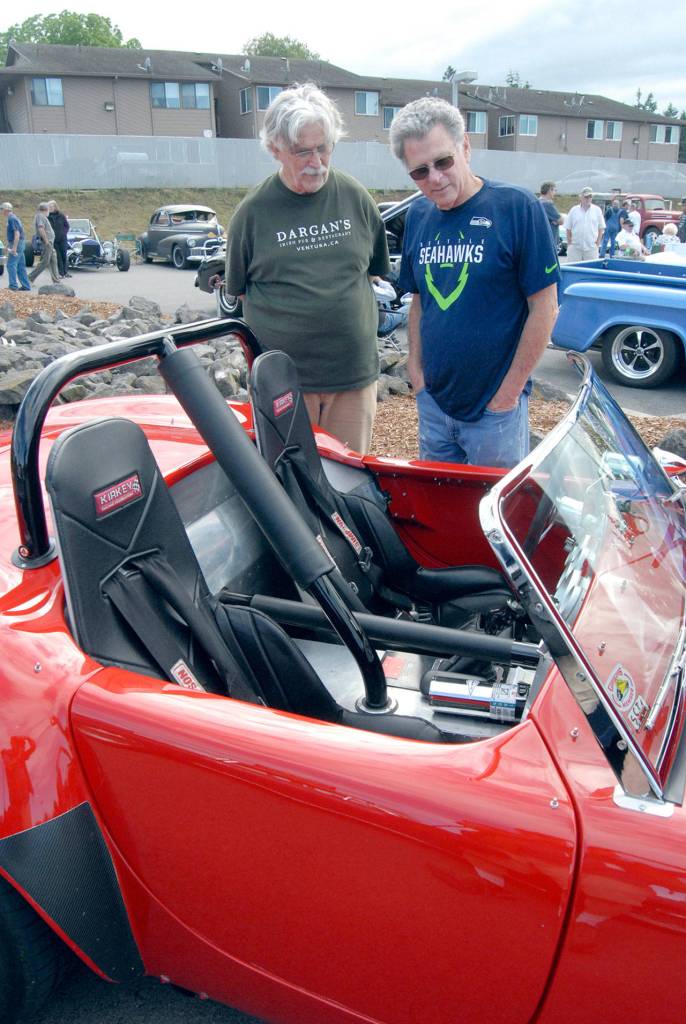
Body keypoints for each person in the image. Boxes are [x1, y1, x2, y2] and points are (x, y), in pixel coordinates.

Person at [388, 97, 559, 468]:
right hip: (434, 404)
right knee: (441, 509)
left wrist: (508, 394)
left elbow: (545, 307)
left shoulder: (516, 208)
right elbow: (420, 301)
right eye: (419, 171)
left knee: (492, 515)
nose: (434, 177)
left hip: (495, 411)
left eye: (443, 161)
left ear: (465, 147)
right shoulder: (418, 214)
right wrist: (417, 377)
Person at [224, 82, 390, 454]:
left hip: (352, 378)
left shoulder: (356, 198)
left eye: (323, 148)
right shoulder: (252, 213)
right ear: (275, 149)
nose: (316, 162)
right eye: (302, 152)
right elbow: (237, 289)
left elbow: (375, 270)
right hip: (283, 384)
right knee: (290, 487)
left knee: (350, 483)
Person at [565, 187, 605, 261]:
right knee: (573, 270)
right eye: (586, 197)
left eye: (590, 197)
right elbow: (568, 228)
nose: (588, 199)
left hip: (591, 248)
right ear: (581, 197)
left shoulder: (597, 210)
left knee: (591, 270)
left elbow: (601, 228)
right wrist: (569, 244)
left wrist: (597, 243)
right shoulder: (573, 210)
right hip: (575, 248)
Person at [1, 201, 31, 291]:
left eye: (1, 209)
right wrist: (8, 245)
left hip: (17, 244)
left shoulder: (11, 219)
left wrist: (14, 248)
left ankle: (13, 286)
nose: (1, 211)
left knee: (11, 264)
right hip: (19, 243)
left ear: (6, 210)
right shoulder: (14, 218)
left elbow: (17, 234)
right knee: (21, 266)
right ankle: (26, 286)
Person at [28, 201, 60, 285]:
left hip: (50, 242)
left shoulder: (41, 216)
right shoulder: (40, 216)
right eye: (49, 209)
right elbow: (41, 228)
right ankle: (30, 278)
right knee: (44, 262)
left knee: (53, 260)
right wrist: (46, 241)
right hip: (47, 242)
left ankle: (56, 281)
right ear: (46, 209)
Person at [48, 199, 71, 277]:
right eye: (49, 206)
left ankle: (65, 272)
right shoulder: (47, 216)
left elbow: (67, 226)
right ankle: (60, 273)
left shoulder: (61, 215)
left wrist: (63, 233)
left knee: (64, 255)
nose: (50, 208)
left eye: (51, 206)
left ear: (55, 207)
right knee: (58, 256)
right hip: (53, 239)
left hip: (62, 239)